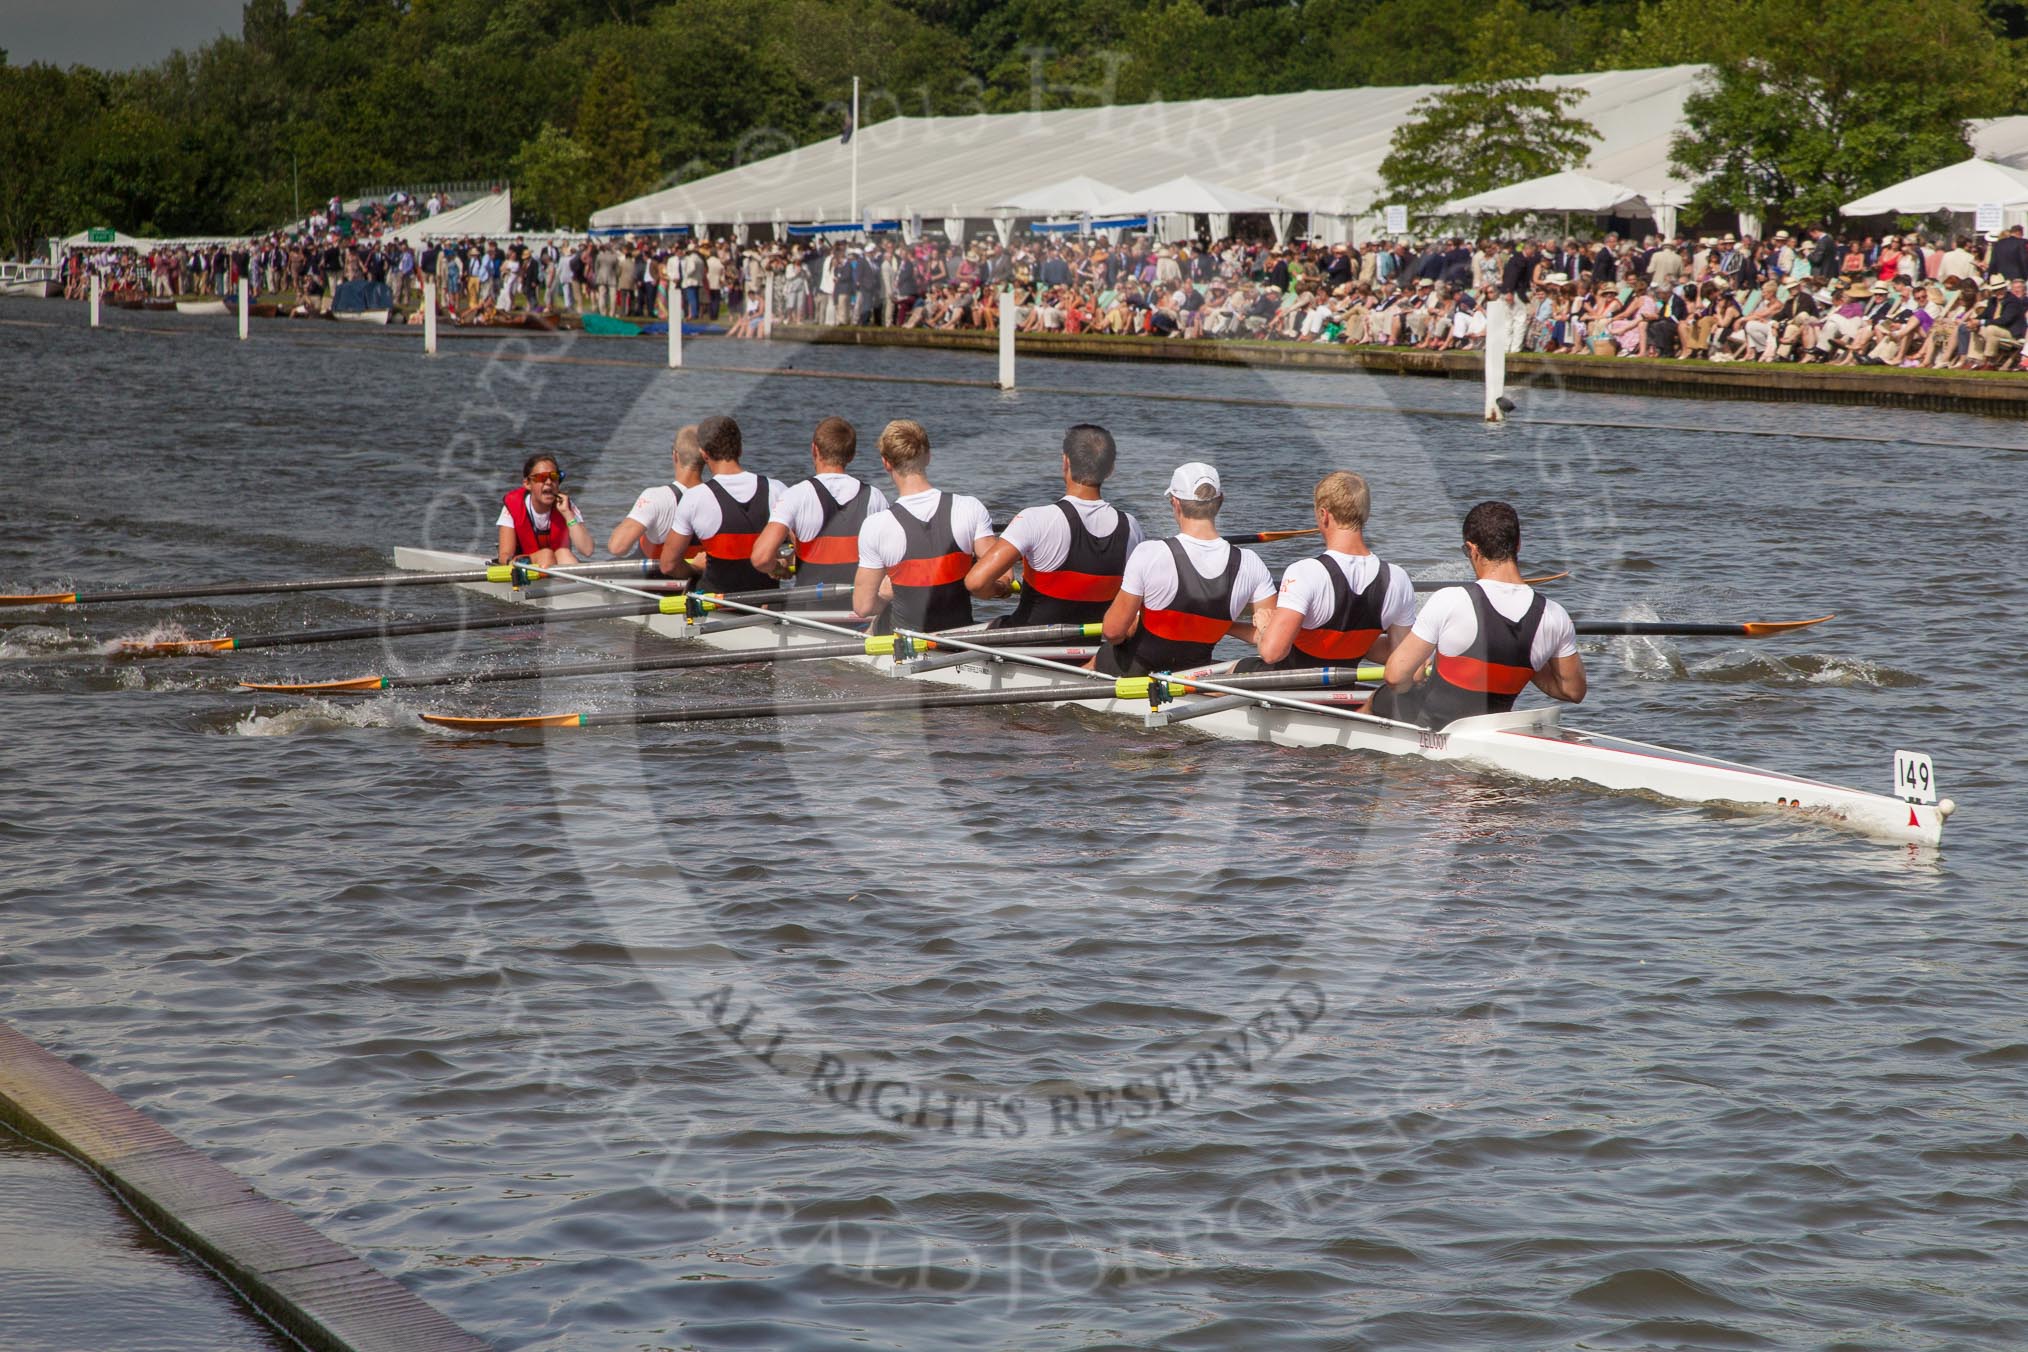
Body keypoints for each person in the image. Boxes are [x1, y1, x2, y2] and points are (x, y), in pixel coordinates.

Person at [1373, 500, 1584, 727]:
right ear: (1518, 545)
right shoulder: (1554, 615)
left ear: (1472, 550)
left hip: (1434, 728)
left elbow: (1395, 676)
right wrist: (1527, 659)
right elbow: (1573, 691)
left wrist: (1416, 677)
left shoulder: (1451, 599)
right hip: (1490, 729)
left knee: (1382, 697)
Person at [1091, 463, 1276, 677]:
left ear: (1175, 502)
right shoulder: (1251, 563)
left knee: (1106, 652)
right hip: (1196, 675)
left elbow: (1112, 632)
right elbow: (1273, 640)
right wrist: (1219, 625)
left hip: (1137, 672)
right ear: (1220, 501)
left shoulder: (1150, 553)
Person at [964, 423, 1143, 627]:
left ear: (1065, 461)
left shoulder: (1035, 519)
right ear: (1110, 470)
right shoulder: (1131, 528)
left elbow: (976, 583)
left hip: (1029, 645)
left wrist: (1000, 589)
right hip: (1093, 648)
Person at [1240, 471, 1415, 672]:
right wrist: (1356, 642)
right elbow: (1404, 658)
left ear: (1323, 515)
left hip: (1287, 691)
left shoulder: (1305, 572)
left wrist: (1264, 627)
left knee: (1236, 667)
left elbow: (1272, 653)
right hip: (1342, 691)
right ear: (1365, 514)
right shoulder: (1397, 578)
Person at [853, 419, 997, 633]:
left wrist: (884, 594)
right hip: (959, 638)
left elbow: (863, 607)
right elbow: (1001, 578)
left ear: (886, 463)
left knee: (869, 625)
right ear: (928, 456)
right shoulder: (970, 508)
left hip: (905, 643)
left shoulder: (876, 525)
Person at [750, 415, 889, 589]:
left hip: (808, 610)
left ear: (814, 450)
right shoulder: (875, 497)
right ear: (852, 455)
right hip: (858, 609)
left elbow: (761, 558)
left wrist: (778, 568)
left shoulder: (796, 495)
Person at [656, 416, 785, 592]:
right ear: (740, 449)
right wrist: (781, 564)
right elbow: (804, 546)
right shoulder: (777, 489)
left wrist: (695, 568)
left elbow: (668, 565)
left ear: (704, 454)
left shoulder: (695, 498)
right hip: (767, 603)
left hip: (717, 606)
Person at [608, 424, 707, 563]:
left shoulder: (656, 497)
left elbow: (617, 547)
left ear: (675, 455)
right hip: (696, 576)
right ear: (706, 457)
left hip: (653, 578)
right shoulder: (718, 498)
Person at [496, 453, 592, 566]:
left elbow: (587, 550)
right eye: (541, 478)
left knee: (563, 553)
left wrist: (567, 514)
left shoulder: (566, 506)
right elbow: (504, 555)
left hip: (558, 561)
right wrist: (517, 564)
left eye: (554, 477)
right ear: (527, 484)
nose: (549, 482)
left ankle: (575, 582)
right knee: (547, 555)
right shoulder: (513, 506)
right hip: (525, 566)